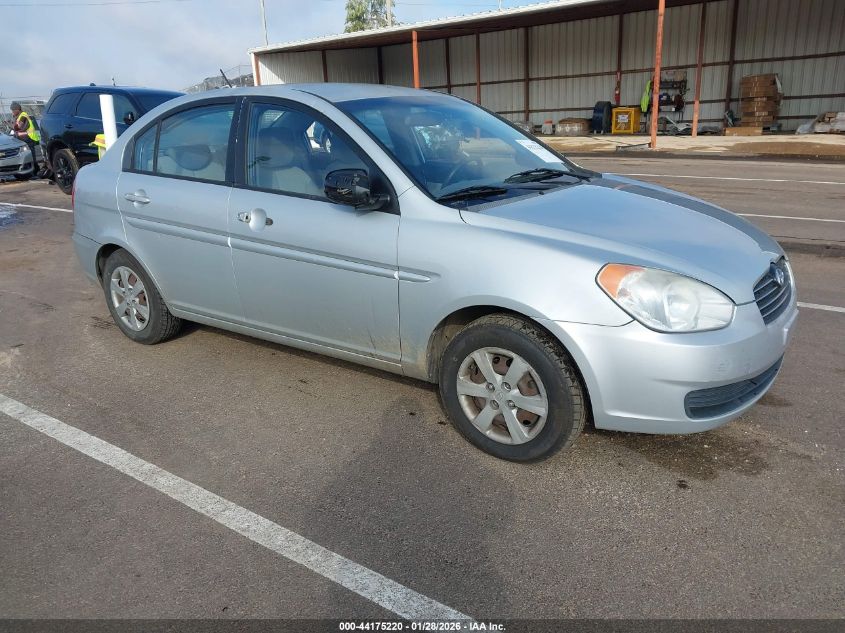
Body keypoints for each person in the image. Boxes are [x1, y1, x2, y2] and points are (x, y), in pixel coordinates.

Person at [10, 101, 44, 179]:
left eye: (13, 110)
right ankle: (33, 172)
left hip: (28, 138)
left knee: (31, 156)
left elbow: (19, 127)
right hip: (24, 139)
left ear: (17, 109)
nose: (12, 112)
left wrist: (11, 125)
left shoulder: (23, 116)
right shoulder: (20, 116)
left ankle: (35, 173)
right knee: (28, 156)